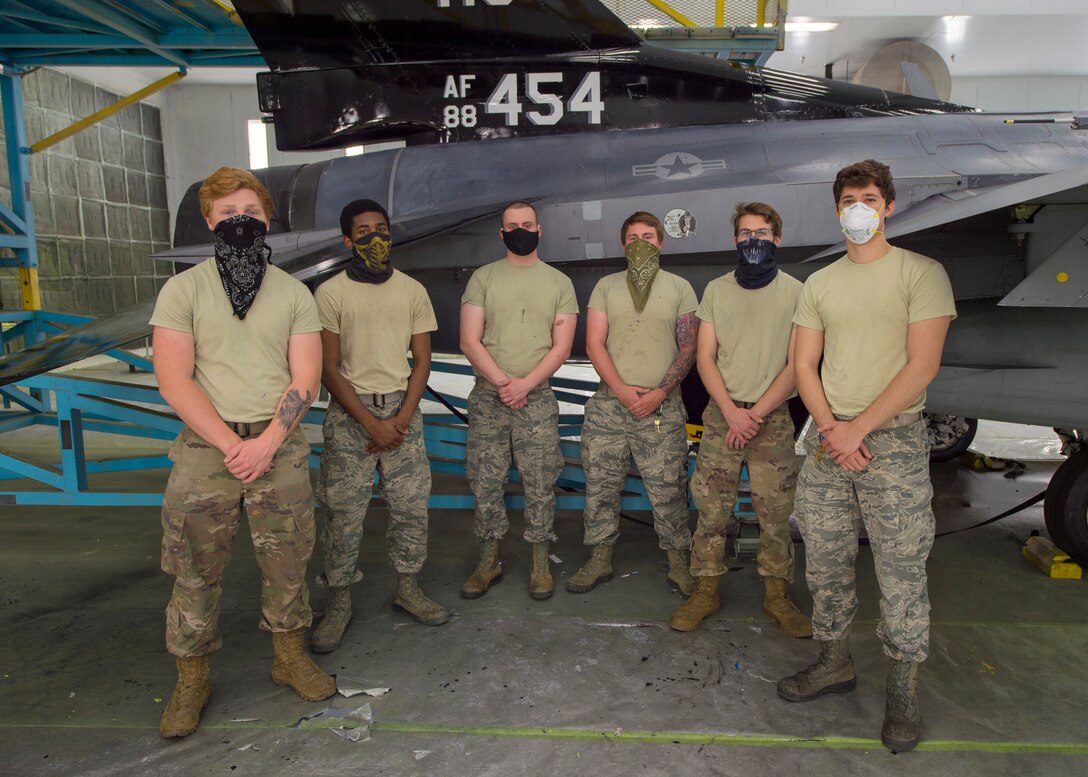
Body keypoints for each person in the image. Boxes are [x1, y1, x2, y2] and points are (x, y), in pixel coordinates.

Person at [777, 160, 956, 753]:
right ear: (837, 209)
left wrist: (860, 431)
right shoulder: (820, 284)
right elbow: (804, 364)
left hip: (894, 442)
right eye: (850, 198)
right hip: (830, 444)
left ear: (889, 206)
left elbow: (922, 365)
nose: (860, 207)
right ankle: (833, 663)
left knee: (901, 572)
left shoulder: (921, 273)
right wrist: (833, 429)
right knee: (825, 564)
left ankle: (902, 693)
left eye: (871, 197)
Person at [152, 167, 334, 739]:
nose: (240, 223)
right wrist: (235, 446)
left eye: (251, 214)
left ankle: (288, 657)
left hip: (275, 445)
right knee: (194, 567)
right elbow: (173, 380)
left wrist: (268, 444)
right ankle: (192, 676)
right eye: (228, 214)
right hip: (209, 448)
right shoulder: (183, 291)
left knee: (287, 562)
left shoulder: (293, 293)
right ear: (209, 221)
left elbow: (307, 377)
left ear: (268, 219)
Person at [310, 199, 450, 654]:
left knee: (411, 509)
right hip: (352, 418)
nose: (375, 237)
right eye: (364, 231)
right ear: (348, 241)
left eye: (382, 228)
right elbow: (329, 368)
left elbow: (423, 359)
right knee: (343, 516)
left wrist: (402, 419)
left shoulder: (411, 290)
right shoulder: (330, 293)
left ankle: (407, 588)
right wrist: (371, 423)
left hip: (402, 416)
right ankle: (339, 602)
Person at [670, 202, 811, 636]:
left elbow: (797, 364)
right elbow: (705, 357)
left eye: (763, 233)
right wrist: (732, 413)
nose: (754, 240)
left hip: (772, 421)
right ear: (735, 240)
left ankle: (777, 596)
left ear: (778, 239)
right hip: (722, 418)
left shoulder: (797, 292)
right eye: (746, 233)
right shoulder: (716, 290)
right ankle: (706, 591)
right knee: (712, 511)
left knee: (775, 513)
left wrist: (756, 415)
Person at [566, 211, 698, 596]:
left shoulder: (679, 287)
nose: (640, 242)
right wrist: (622, 391)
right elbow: (594, 343)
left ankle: (679, 564)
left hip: (661, 405)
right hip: (611, 404)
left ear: (661, 243)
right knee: (601, 487)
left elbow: (689, 346)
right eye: (632, 236)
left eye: (648, 236)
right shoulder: (606, 286)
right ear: (623, 244)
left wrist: (660, 393)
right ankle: (600, 559)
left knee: (669, 489)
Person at [459, 201, 579, 600]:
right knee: (486, 481)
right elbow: (469, 339)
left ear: (539, 230)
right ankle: (488, 560)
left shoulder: (559, 282)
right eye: (512, 226)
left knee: (541, 481)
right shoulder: (483, 278)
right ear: (502, 234)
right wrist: (503, 384)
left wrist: (525, 384)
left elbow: (561, 347)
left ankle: (540, 561)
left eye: (527, 224)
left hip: (538, 398)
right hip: (490, 399)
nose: (520, 230)